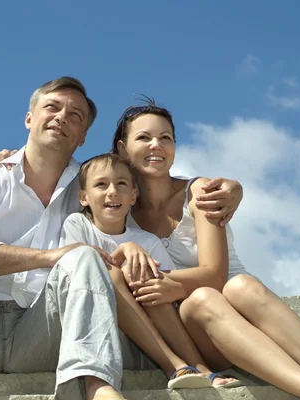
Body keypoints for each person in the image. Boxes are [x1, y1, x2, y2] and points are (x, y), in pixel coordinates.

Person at [0, 77, 245, 400]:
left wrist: (232, 188)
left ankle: (99, 387)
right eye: (53, 108)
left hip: (41, 332)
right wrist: (48, 257)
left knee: (83, 258)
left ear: (82, 138)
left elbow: (129, 202)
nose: (62, 117)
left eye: (75, 116)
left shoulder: (89, 185)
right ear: (29, 117)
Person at [111, 99, 300, 400]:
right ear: (122, 149)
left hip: (243, 305)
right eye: (144, 138)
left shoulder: (200, 192)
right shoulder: (120, 210)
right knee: (200, 300)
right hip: (196, 333)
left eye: (166, 138)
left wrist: (169, 283)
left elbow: (215, 274)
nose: (156, 145)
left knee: (237, 286)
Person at [59, 152, 243, 390]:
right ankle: (173, 365)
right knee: (113, 273)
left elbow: (167, 287)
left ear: (133, 196)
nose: (112, 191)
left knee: (150, 279)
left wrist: (143, 271)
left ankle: (201, 368)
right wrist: (125, 250)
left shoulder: (147, 240)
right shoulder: (76, 224)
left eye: (122, 184)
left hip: (151, 323)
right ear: (83, 197)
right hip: (100, 328)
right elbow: (84, 264)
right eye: (101, 184)